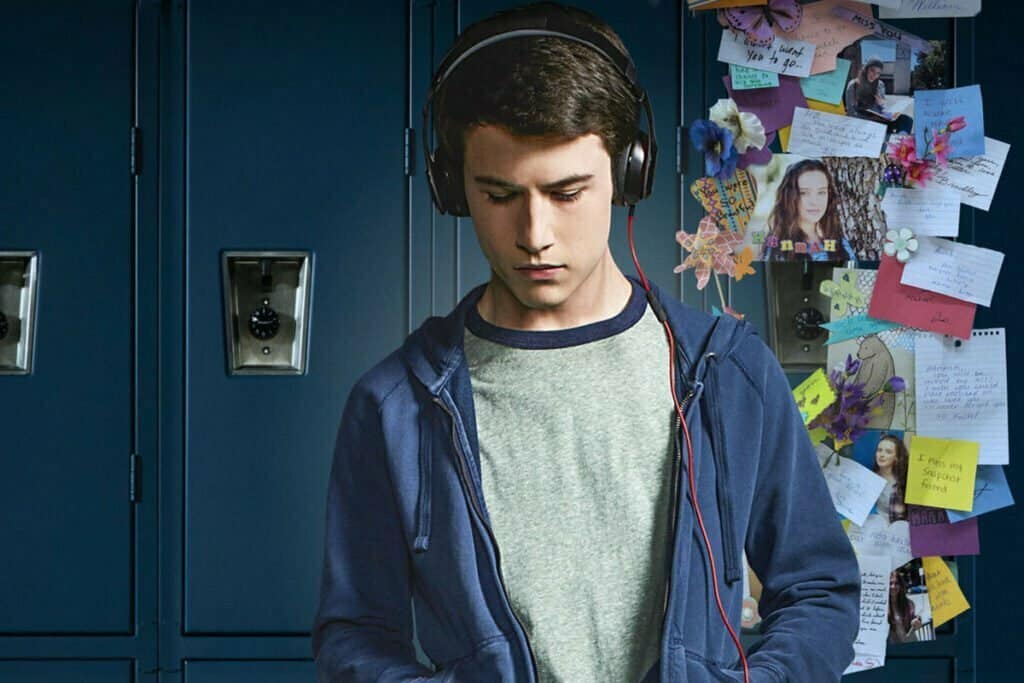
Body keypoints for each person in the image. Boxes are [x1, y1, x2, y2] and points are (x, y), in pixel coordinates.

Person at [312, 3, 860, 682]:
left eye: (567, 191)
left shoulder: (729, 372)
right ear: (454, 188)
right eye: (499, 193)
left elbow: (820, 591)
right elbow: (356, 634)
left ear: (629, 174)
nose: (534, 231)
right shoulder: (393, 406)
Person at [760, 159, 854, 262]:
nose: (814, 202)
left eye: (821, 192)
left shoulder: (841, 245)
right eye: (804, 193)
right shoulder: (778, 247)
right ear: (790, 197)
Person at [844, 57, 914, 135]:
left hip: (880, 120)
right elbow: (851, 112)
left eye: (878, 73)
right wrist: (870, 118)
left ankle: (901, 140)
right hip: (862, 121)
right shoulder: (853, 85)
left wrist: (883, 106)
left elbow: (883, 108)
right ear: (866, 69)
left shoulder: (880, 84)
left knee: (907, 119)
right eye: (872, 70)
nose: (875, 75)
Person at [872, 433, 909, 523]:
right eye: (879, 450)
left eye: (888, 452)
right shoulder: (870, 478)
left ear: (896, 458)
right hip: (874, 527)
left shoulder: (903, 482)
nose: (882, 455)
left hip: (899, 530)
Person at [887, 571, 923, 644]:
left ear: (901, 586)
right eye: (890, 583)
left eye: (896, 583)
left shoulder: (909, 603)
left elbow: (915, 618)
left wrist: (918, 621)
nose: (893, 587)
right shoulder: (881, 606)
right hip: (892, 649)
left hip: (910, 644)